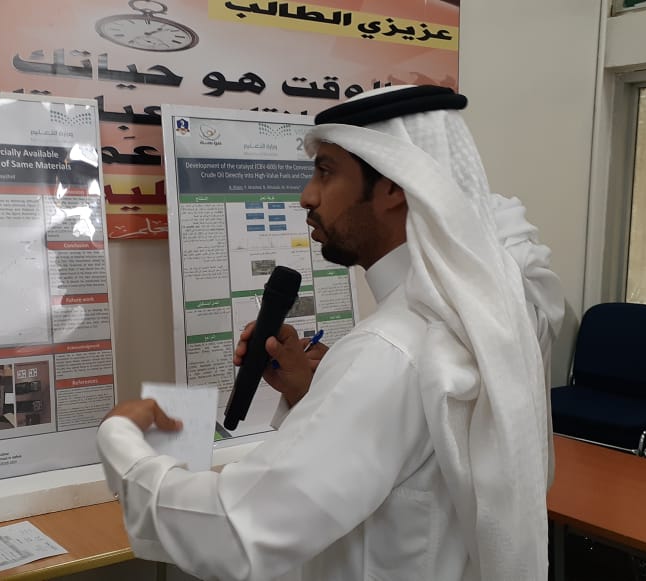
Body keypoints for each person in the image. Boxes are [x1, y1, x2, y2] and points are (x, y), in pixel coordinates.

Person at [97, 85, 564, 581]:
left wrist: (122, 440)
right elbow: (421, 461)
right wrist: (312, 393)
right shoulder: (491, 306)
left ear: (393, 186)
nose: (307, 196)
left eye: (326, 172)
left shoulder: (390, 350)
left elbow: (237, 530)